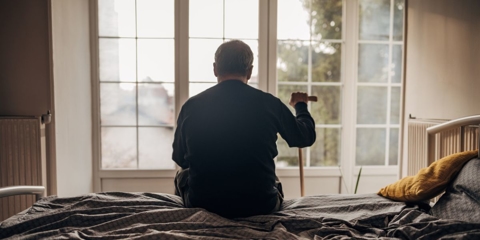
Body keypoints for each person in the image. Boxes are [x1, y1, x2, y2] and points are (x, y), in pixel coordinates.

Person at [172, 39, 316, 218]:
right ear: (249, 71)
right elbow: (304, 137)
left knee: (182, 175)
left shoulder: (191, 106)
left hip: (205, 203)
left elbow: (179, 157)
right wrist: (300, 106)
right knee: (273, 181)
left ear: (215, 69)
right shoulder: (270, 104)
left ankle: (190, 221)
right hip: (261, 204)